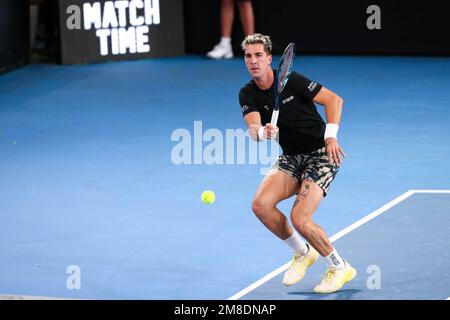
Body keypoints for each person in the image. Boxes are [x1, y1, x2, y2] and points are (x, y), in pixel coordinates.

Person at [238, 33, 357, 293]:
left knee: (300, 218)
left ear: (269, 58)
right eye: (248, 56)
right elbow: (253, 129)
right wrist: (262, 133)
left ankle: (339, 267)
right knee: (261, 205)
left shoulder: (292, 81)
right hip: (291, 157)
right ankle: (302, 252)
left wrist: (330, 137)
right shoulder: (247, 93)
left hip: (321, 154)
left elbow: (334, 100)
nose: (253, 61)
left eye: (259, 55)